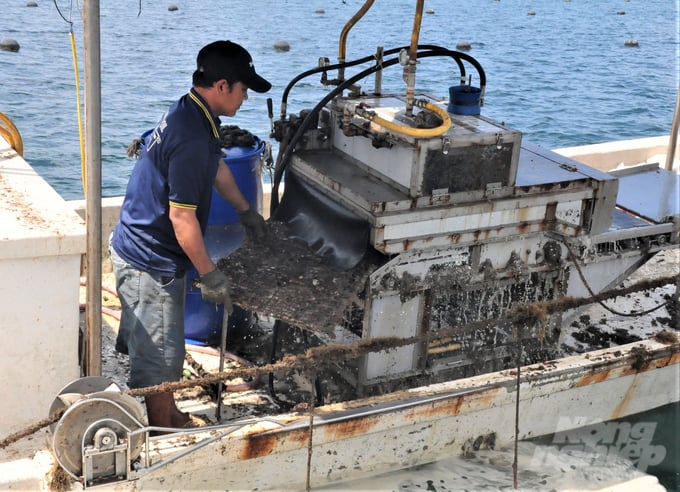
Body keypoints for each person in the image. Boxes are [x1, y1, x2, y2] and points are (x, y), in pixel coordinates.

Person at [110, 40, 270, 429]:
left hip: (136, 243)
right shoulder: (192, 137)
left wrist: (246, 211)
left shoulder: (193, 112)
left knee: (157, 344)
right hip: (151, 259)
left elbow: (216, 168)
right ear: (221, 86)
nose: (246, 96)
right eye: (243, 88)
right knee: (163, 354)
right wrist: (210, 275)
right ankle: (163, 426)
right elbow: (183, 220)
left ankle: (164, 409)